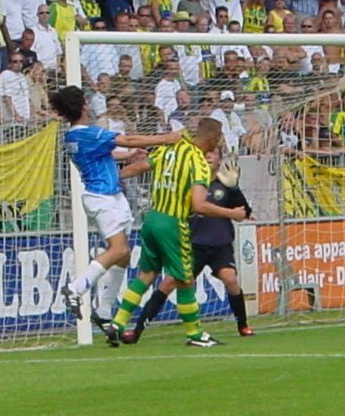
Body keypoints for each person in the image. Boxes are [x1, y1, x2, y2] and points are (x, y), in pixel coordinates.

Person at [105, 118, 247, 347]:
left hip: (151, 219)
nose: (220, 142)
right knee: (185, 279)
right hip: (173, 222)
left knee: (146, 275)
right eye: (220, 137)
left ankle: (117, 324)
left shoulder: (173, 148)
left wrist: (112, 178)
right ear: (212, 138)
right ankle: (196, 334)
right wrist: (232, 214)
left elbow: (142, 166)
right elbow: (199, 205)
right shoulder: (198, 162)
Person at [53, 86, 183, 325]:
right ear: (83, 106)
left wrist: (129, 155)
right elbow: (128, 138)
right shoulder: (89, 133)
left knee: (123, 257)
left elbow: (105, 155)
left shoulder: (73, 136)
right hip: (103, 196)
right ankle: (74, 289)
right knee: (120, 250)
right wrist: (166, 138)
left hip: (110, 196)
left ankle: (104, 311)